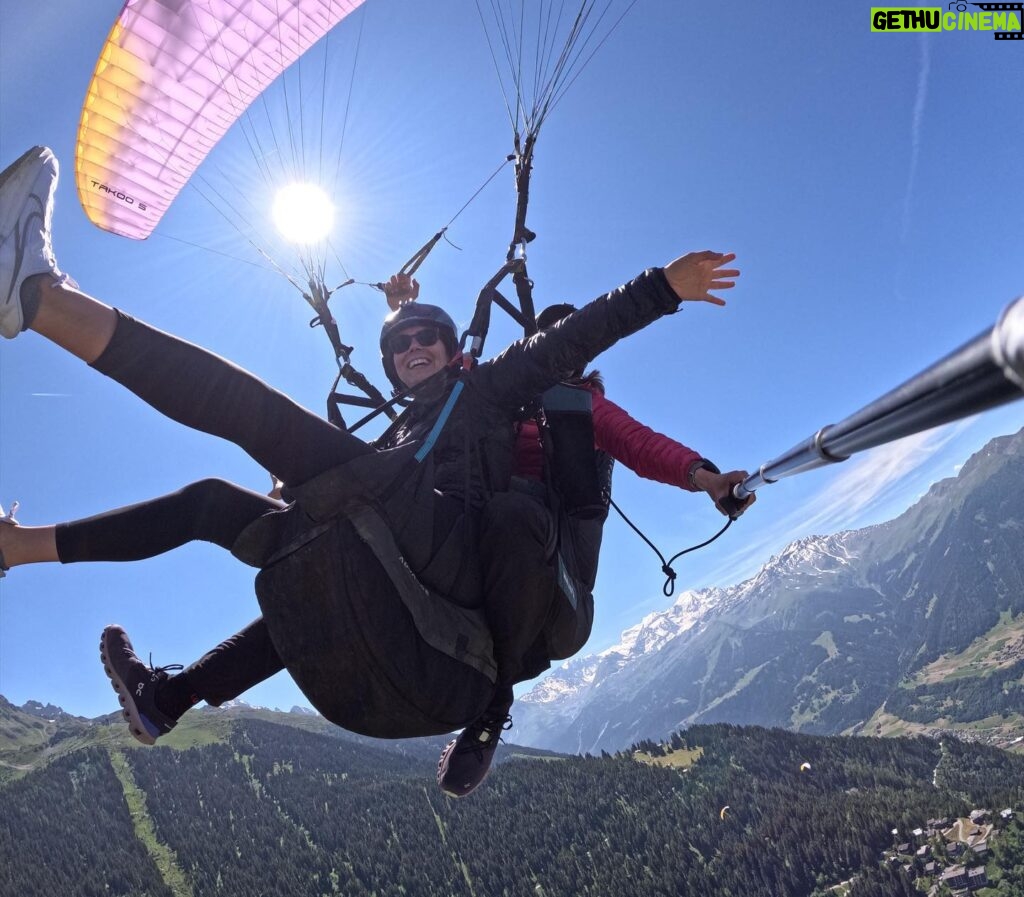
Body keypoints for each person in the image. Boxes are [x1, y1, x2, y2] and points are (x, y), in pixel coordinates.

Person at [0, 145, 753, 796]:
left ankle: (38, 297)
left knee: (266, 421)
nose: (414, 348)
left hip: (488, 595)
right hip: (410, 575)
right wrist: (402, 315)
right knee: (230, 510)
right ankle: (127, 657)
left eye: (430, 338)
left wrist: (665, 304)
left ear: (459, 351)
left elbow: (588, 381)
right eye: (402, 346)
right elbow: (414, 404)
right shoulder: (409, 422)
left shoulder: (498, 392)